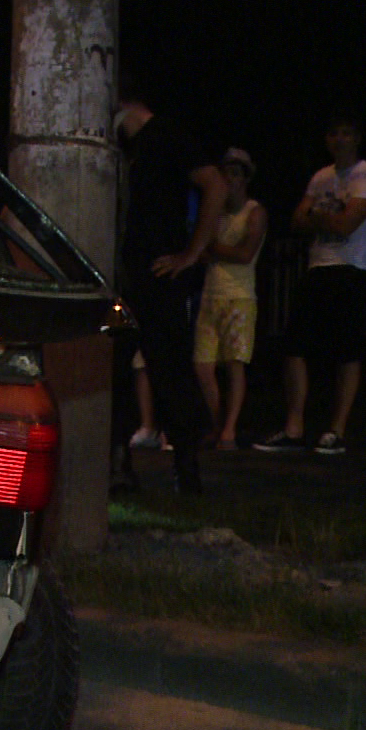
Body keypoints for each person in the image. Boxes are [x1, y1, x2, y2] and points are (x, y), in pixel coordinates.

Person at [112, 83, 228, 493]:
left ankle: (186, 464)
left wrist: (191, 253)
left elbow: (215, 184)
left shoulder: (164, 134)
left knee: (169, 368)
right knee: (116, 366)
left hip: (160, 270)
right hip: (122, 272)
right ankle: (119, 464)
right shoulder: (123, 148)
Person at [255, 116, 366, 455]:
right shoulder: (321, 176)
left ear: (357, 138)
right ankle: (293, 427)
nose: (340, 139)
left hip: (351, 268)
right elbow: (297, 219)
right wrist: (323, 218)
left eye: (346, 133)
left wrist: (318, 217)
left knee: (347, 349)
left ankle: (336, 430)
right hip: (318, 266)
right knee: (294, 345)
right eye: (334, 133)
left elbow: (347, 224)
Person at [194, 148, 267, 449]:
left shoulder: (254, 212)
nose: (230, 180)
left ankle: (230, 429)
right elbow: (200, 250)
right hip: (211, 294)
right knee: (203, 364)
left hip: (239, 296)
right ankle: (217, 421)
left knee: (234, 363)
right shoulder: (215, 211)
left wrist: (211, 247)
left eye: (236, 174)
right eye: (227, 174)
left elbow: (245, 253)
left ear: (246, 178)